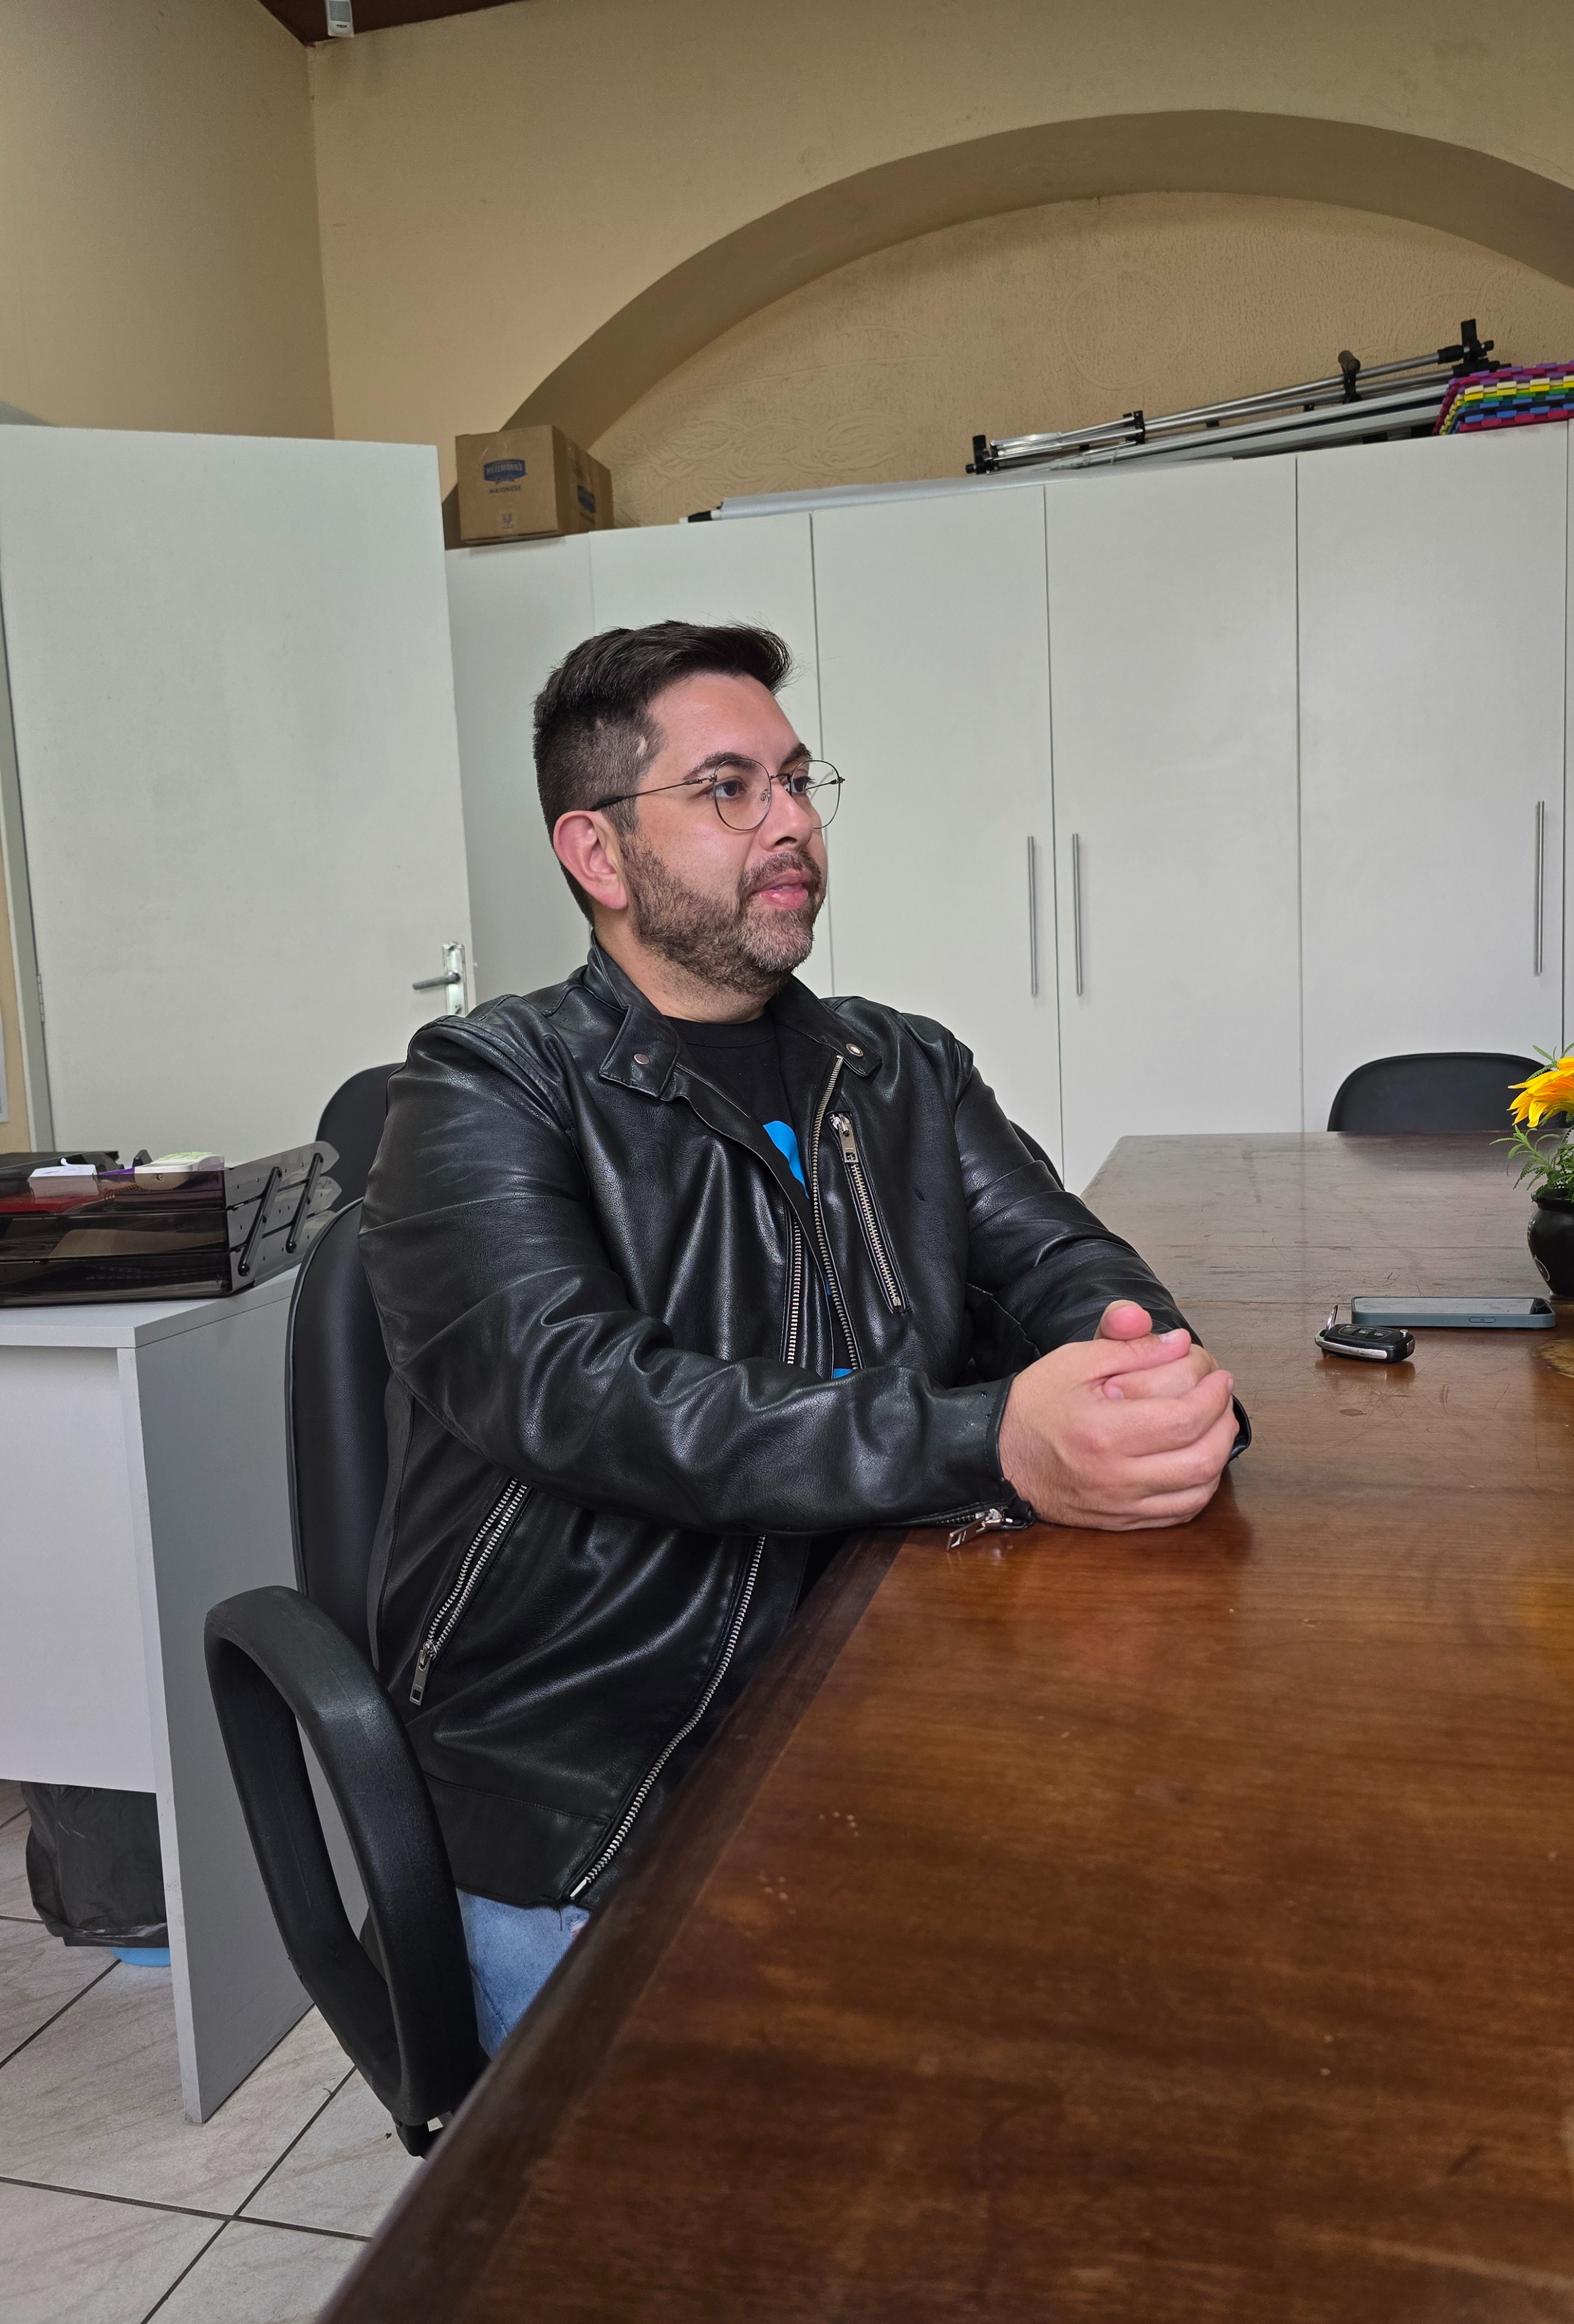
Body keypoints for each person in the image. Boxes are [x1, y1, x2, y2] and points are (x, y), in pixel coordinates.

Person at [361, 620, 1248, 2053]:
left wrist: (1137, 1373)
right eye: (728, 789)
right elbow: (591, 1396)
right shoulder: (482, 1089)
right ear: (597, 853)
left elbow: (1059, 1261)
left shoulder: (900, 1066)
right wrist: (995, 1439)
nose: (790, 824)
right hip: (605, 1777)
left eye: (795, 779)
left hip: (890, 1690)